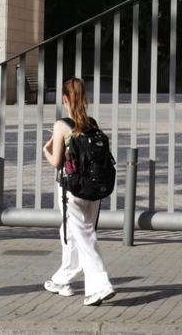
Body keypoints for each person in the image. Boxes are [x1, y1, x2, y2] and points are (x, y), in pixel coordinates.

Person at [42, 77, 116, 306]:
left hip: (71, 190)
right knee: (72, 233)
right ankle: (62, 280)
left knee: (83, 237)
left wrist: (46, 149)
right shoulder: (92, 123)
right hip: (93, 190)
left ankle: (100, 286)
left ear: (64, 99)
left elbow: (56, 162)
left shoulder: (61, 125)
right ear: (84, 98)